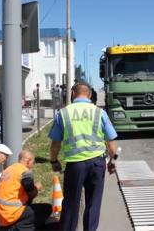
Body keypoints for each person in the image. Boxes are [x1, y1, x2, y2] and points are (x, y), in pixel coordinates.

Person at [48, 81, 118, 231]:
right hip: (97, 164)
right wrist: (113, 161)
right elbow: (111, 142)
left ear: (73, 94)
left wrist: (54, 160)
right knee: (93, 203)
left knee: (71, 203)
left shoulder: (63, 113)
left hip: (75, 165)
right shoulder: (100, 112)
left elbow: (55, 143)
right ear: (90, 95)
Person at [0, 150, 52, 231]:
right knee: (47, 209)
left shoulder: (9, 169)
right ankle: (16, 228)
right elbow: (32, 194)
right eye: (32, 163)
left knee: (28, 201)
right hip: (9, 212)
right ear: (28, 161)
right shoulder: (25, 173)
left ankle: (14, 224)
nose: (32, 166)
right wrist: (37, 188)